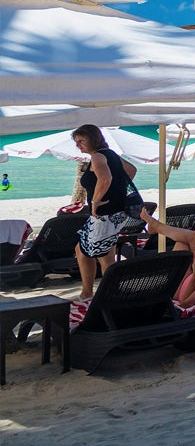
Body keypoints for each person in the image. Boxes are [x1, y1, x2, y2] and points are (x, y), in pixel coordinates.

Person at [69, 124, 138, 323]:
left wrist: (96, 201)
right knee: (83, 250)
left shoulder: (98, 156)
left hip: (104, 213)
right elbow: (131, 170)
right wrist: (117, 189)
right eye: (76, 142)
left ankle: (108, 295)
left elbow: (105, 179)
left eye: (81, 141)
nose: (78, 146)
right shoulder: (111, 154)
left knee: (104, 256)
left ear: (92, 139)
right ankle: (88, 291)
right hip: (115, 212)